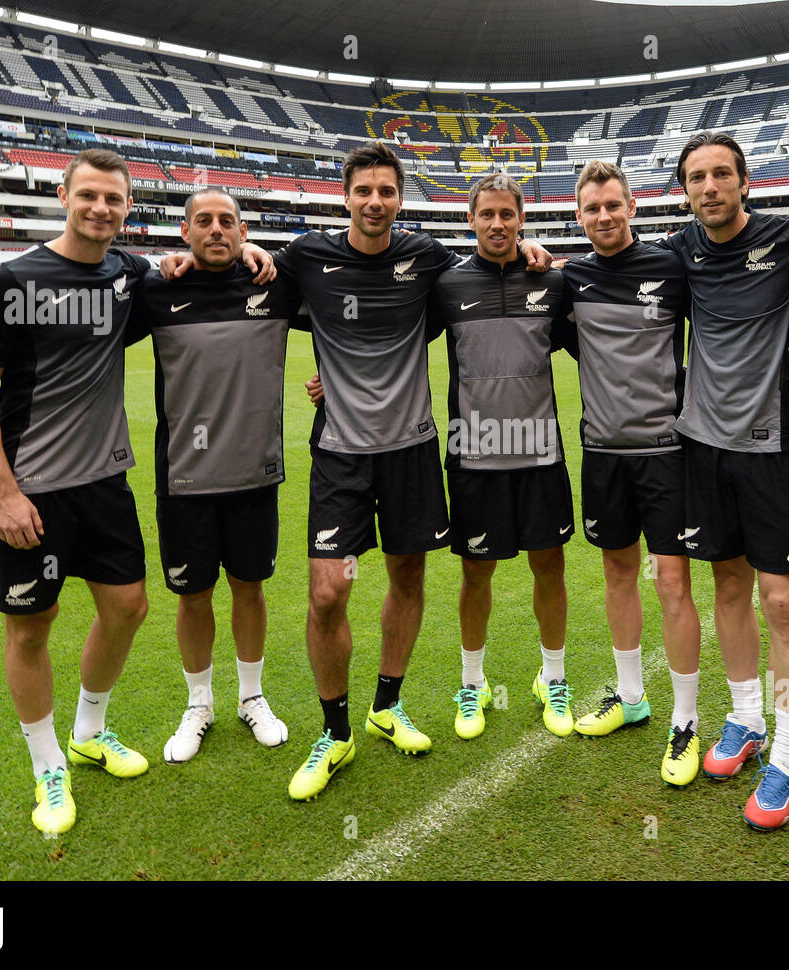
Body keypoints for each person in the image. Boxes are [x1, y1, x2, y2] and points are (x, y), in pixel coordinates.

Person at [219, 142, 551, 801]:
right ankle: (334, 731)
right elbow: (242, 278)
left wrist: (529, 250)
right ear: (345, 196)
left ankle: (386, 705)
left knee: (408, 575)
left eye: (386, 192)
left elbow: (487, 268)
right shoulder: (307, 258)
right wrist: (242, 252)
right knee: (327, 593)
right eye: (363, 191)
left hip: (412, 452)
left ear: (400, 199)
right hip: (340, 453)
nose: (375, 202)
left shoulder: (425, 259)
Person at [0, 148, 270, 836]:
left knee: (127, 609)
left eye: (114, 200)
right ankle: (48, 771)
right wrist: (4, 495)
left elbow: (189, 262)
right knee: (32, 628)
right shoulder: (10, 279)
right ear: (64, 195)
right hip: (30, 489)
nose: (101, 209)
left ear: (128, 209)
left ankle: (88, 733)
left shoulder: (131, 276)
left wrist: (253, 249)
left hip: (104, 482)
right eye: (89, 195)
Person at [659, 131, 789, 830]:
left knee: (782, 599)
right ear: (686, 188)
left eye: (721, 174)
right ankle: (744, 719)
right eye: (697, 177)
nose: (710, 187)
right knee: (727, 584)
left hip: (779, 444)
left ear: (744, 180)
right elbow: (610, 273)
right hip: (702, 443)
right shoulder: (679, 250)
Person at [134, 187, 298, 763]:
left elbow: (345, 297)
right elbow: (102, 272)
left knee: (249, 588)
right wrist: (154, 263)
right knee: (193, 594)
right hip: (184, 479)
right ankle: (199, 703)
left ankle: (252, 697)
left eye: (227, 221)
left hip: (255, 474)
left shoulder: (272, 284)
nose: (215, 230)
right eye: (202, 221)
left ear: (243, 231)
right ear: (184, 232)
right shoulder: (157, 289)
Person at [557, 161, 704, 787]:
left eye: (613, 205)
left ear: (632, 206)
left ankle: (687, 722)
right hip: (603, 453)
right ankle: (631, 697)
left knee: (672, 582)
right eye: (592, 209)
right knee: (618, 573)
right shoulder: (573, 278)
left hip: (667, 453)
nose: (603, 217)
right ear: (579, 214)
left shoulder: (672, 267)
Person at [436, 172, 573, 741]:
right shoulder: (444, 285)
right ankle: (473, 685)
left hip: (539, 453)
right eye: (486, 214)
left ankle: (554, 678)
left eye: (507, 215)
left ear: (522, 219)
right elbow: (383, 336)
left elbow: (602, 347)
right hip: (476, 455)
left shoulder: (554, 283)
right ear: (470, 219)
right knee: (476, 574)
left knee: (550, 567)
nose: (497, 224)